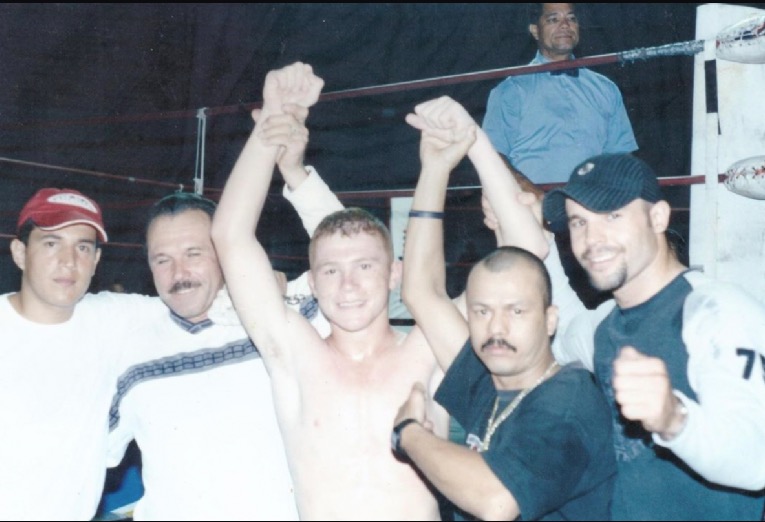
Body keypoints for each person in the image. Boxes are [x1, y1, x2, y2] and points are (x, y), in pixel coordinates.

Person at [211, 62, 453, 519]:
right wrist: (271, 123)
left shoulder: (428, 347)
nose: (348, 285)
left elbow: (522, 256)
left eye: (364, 266)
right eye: (331, 271)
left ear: (394, 273)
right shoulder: (295, 351)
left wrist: (470, 149)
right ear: (313, 280)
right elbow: (230, 236)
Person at [105, 109, 344, 519]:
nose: (179, 274)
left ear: (223, 254)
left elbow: (349, 257)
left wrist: (295, 173)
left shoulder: (277, 317)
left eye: (194, 254)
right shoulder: (129, 351)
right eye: (162, 260)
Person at [392, 95, 615, 521]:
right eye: (481, 312)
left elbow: (497, 501)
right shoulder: (489, 381)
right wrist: (435, 169)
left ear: (550, 320)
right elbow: (422, 292)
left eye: (516, 312)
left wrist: (410, 435)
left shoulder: (567, 400)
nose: (497, 328)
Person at [542, 152, 765, 519]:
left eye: (612, 215)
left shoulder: (714, 311)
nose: (591, 239)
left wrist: (672, 417)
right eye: (578, 222)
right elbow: (561, 325)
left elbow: (757, 459)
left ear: (657, 217)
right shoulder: (605, 327)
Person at [0, 187, 163, 520]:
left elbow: (197, 301)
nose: (68, 261)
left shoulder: (112, 318)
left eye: (83, 247)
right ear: (19, 253)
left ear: (96, 261)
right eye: (51, 243)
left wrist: (273, 284)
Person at [482, 3, 637, 185]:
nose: (565, 25)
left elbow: (621, 156)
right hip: (533, 205)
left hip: (592, 206)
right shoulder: (510, 90)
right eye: (553, 19)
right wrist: (531, 194)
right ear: (535, 30)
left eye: (571, 18)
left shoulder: (606, 88)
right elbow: (490, 155)